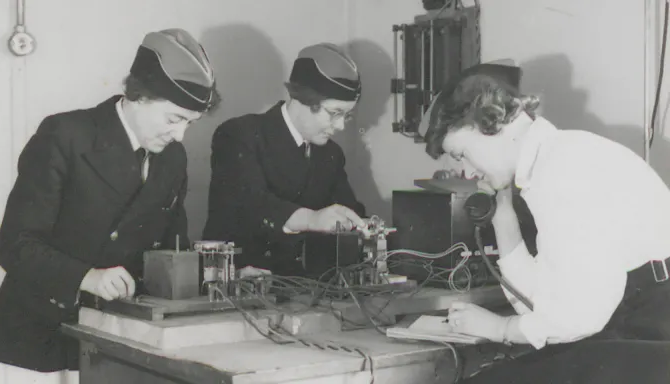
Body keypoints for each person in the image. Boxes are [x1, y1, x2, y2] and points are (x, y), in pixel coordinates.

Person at [0, 29, 219, 384]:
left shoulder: (173, 159)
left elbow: (172, 248)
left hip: (115, 343)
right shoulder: (65, 135)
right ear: (139, 96)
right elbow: (14, 245)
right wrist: (87, 277)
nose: (181, 135)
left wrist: (211, 275)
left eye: (190, 123)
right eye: (174, 119)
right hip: (39, 340)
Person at [420, 61, 670, 383]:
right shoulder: (551, 161)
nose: (466, 172)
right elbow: (541, 302)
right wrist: (503, 216)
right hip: (639, 321)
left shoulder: (563, 169)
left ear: (492, 122)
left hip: (652, 328)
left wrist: (500, 328)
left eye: (462, 154)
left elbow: (580, 316)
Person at [203, 43, 367, 278]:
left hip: (303, 288)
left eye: (347, 116)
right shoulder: (239, 135)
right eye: (334, 113)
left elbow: (348, 211)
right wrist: (311, 218)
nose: (340, 126)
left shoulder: (331, 154)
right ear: (301, 99)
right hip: (241, 279)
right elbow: (251, 202)